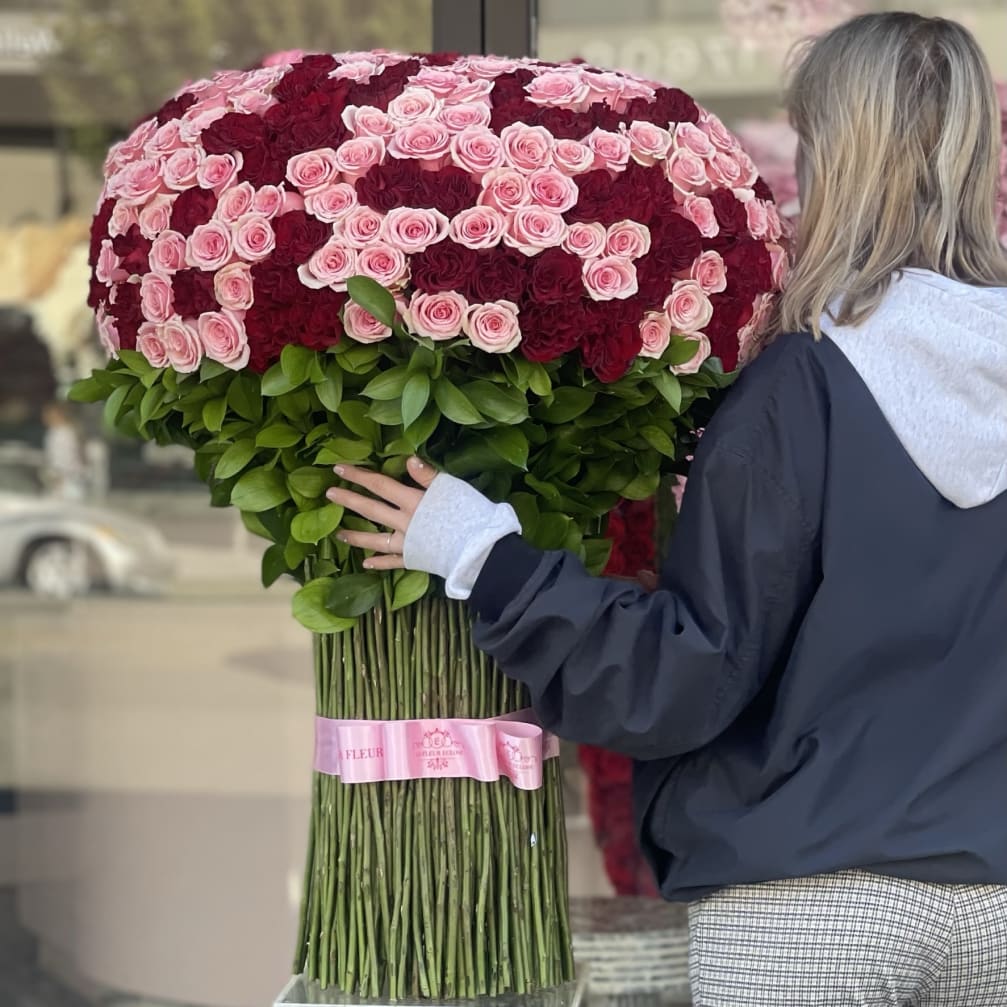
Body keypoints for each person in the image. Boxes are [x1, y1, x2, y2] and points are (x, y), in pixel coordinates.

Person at [327, 13, 1007, 1006]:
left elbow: (688, 674)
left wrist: (481, 552)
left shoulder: (802, 387)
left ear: (832, 153)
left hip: (808, 907)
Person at [41, 401, 87, 501]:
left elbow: (67, 458)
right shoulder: (53, 431)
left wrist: (59, 476)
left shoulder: (66, 433)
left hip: (70, 480)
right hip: (57, 480)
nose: (45, 418)